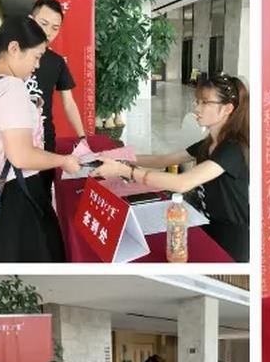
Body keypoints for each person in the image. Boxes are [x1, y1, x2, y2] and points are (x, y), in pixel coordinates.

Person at [91, 74, 249, 261]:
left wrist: (124, 171)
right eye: (197, 101)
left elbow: (183, 183)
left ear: (228, 109)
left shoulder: (232, 149)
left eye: (205, 102)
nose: (197, 108)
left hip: (230, 238)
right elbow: (163, 160)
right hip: (204, 222)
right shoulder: (208, 143)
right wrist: (120, 157)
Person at [0, 16, 80, 261]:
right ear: (14, 48)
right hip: (17, 197)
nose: (37, 65)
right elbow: (21, 156)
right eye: (36, 57)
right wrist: (64, 161)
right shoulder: (12, 87)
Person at [27, 0, 87, 189]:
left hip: (45, 139)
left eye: (55, 28)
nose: (48, 32)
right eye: (43, 23)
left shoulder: (57, 62)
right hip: (14, 138)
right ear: (30, 20)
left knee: (42, 192)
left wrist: (82, 137)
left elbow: (69, 103)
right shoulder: (12, 53)